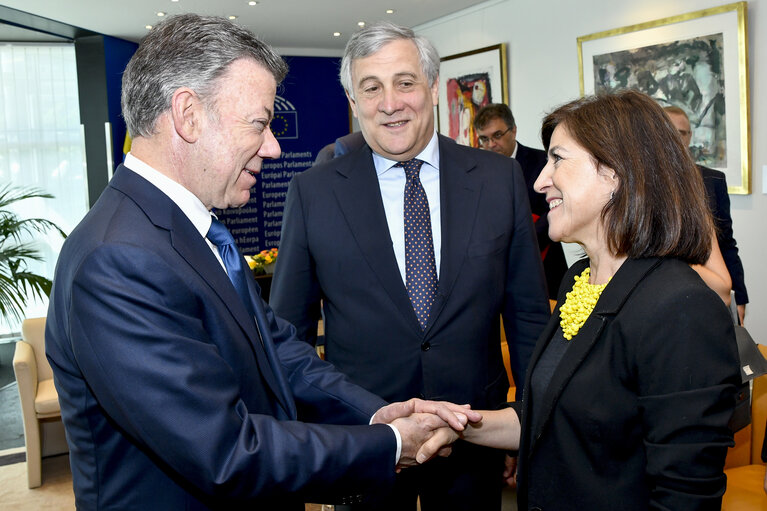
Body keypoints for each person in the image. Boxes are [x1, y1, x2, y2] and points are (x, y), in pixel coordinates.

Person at [44, 14, 480, 510]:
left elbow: (278, 352)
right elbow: (225, 453)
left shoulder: (190, 230)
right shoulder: (118, 260)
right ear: (188, 115)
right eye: (260, 123)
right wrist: (392, 445)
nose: (273, 147)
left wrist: (376, 415)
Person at [270, 21, 550, 511]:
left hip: (474, 433)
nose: (390, 102)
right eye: (371, 88)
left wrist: (525, 424)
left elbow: (527, 317)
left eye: (404, 82)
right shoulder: (313, 193)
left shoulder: (498, 179)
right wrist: (307, 441)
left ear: (432, 90)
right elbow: (287, 334)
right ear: (354, 103)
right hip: (364, 439)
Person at [419, 90, 741, 509]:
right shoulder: (578, 281)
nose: (539, 181)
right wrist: (459, 425)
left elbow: (684, 496)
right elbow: (547, 416)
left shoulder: (680, 307)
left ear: (616, 172)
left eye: (559, 159)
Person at [473, 103, 568, 298]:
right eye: (484, 138)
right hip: (499, 270)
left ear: (513, 130)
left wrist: (519, 244)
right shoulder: (475, 173)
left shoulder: (543, 161)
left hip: (544, 263)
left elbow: (555, 208)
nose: (491, 144)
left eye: (497, 135)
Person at [664, 105, 748, 323]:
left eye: (681, 133)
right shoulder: (646, 184)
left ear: (689, 136)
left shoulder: (713, 180)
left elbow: (727, 243)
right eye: (668, 132)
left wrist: (739, 297)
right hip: (666, 294)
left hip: (710, 289)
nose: (675, 138)